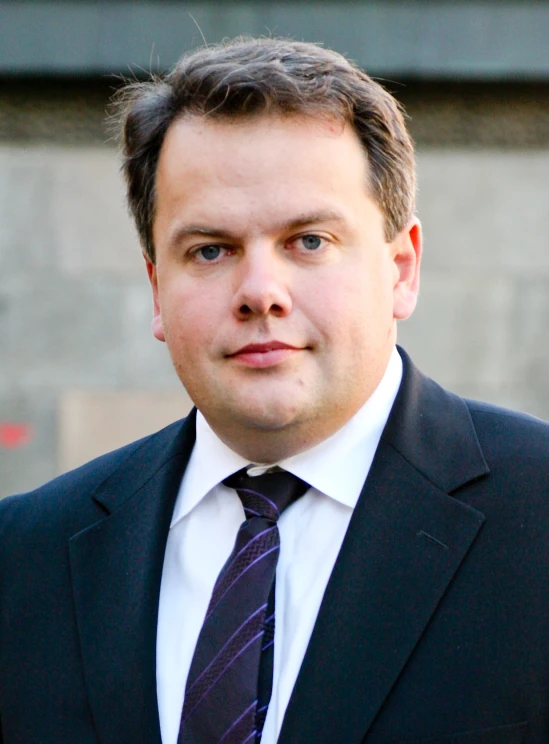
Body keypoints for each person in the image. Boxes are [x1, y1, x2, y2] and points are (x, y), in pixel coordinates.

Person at [0, 36, 548, 744]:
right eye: (210, 250)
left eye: (308, 241)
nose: (260, 292)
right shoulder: (26, 559)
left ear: (401, 269)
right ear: (156, 291)